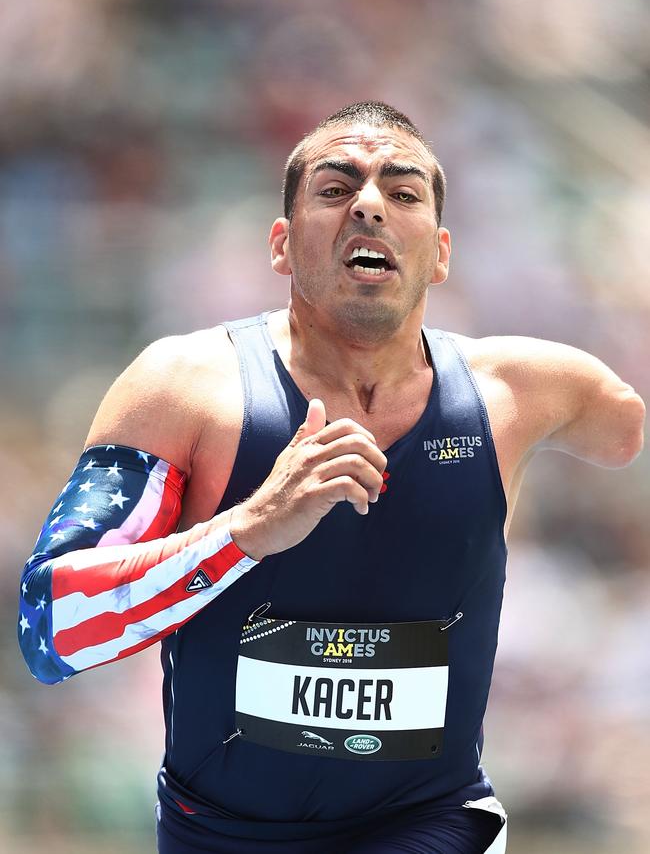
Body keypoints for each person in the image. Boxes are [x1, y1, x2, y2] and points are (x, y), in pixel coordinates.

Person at [18, 101, 645, 854]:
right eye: (335, 187)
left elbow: (625, 428)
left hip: (431, 822)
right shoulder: (184, 388)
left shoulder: (518, 389)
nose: (371, 205)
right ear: (281, 245)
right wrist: (245, 531)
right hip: (219, 833)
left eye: (403, 192)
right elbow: (50, 628)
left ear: (441, 253)